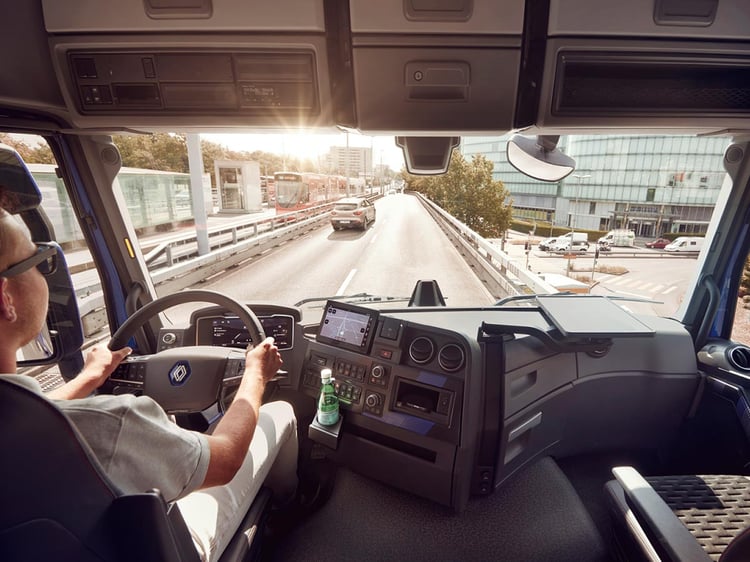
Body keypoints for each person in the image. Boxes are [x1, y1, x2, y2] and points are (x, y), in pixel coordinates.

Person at [0, 203, 299, 562]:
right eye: (41, 260)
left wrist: (87, 378)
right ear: (6, 298)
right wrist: (255, 374)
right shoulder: (111, 423)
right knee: (278, 412)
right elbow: (227, 458)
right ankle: (290, 507)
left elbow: (32, 412)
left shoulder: (23, 422)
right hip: (165, 549)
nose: (44, 273)